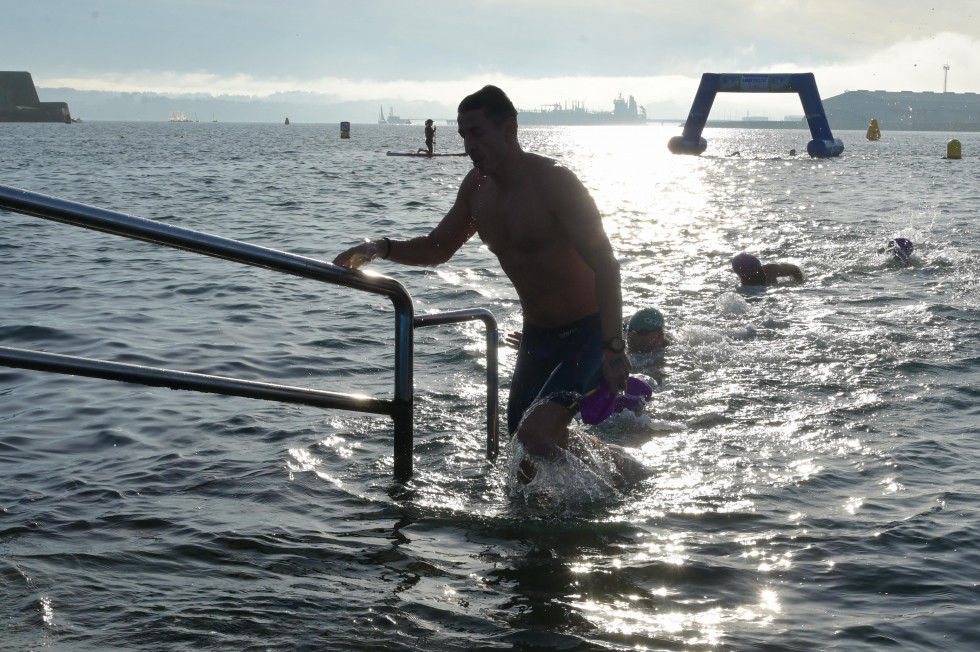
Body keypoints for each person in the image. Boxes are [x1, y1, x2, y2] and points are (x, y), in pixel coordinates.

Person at [333, 85, 631, 471]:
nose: (469, 146)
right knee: (523, 448)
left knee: (533, 437)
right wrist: (380, 247)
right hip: (538, 338)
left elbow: (606, 264)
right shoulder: (476, 189)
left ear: (509, 129)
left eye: (477, 133)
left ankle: (603, 506)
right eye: (462, 135)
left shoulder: (554, 183)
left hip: (589, 333)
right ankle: (617, 473)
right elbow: (437, 248)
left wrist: (613, 347)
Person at [731, 252, 803, 286]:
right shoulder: (746, 290)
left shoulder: (770, 270)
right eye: (755, 269)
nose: (760, 270)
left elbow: (795, 269)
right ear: (744, 275)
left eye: (759, 264)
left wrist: (799, 283)